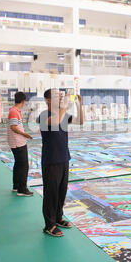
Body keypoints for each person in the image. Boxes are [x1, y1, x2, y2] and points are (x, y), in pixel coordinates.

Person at [37, 89, 83, 237]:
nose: (61, 97)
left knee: (61, 192)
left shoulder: (63, 115)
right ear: (48, 100)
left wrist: (79, 105)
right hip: (51, 160)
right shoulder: (44, 116)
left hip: (64, 158)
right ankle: (49, 225)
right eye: (57, 96)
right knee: (51, 193)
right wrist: (64, 106)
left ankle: (58, 217)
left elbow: (80, 121)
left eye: (61, 96)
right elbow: (55, 123)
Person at [7, 92, 33, 196]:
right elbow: (13, 127)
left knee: (18, 164)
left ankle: (16, 185)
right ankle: (22, 189)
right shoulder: (14, 111)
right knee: (24, 166)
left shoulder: (15, 110)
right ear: (23, 101)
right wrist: (24, 134)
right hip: (18, 143)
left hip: (17, 142)